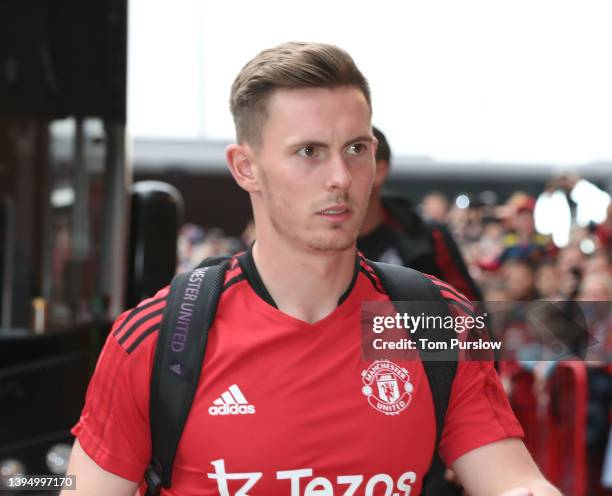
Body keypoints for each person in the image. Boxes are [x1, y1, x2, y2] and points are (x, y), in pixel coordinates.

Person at [63, 42, 560, 495]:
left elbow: (513, 482)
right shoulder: (159, 338)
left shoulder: (433, 319)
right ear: (245, 167)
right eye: (309, 152)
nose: (341, 178)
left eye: (356, 149)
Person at [358, 127, 482, 301]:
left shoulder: (429, 237)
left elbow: (469, 314)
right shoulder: (315, 243)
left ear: (379, 171)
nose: (337, 173)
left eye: (354, 153)